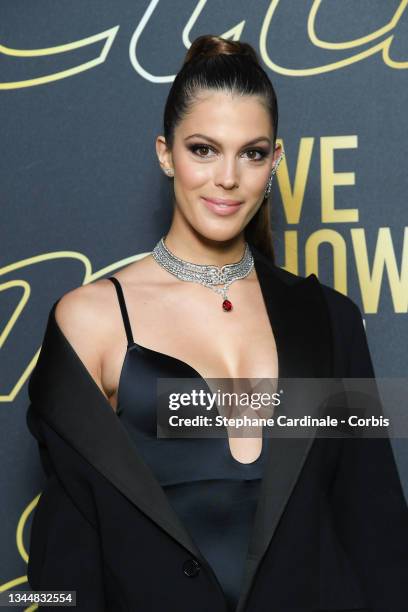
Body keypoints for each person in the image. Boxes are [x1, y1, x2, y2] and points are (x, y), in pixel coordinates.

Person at [26, 35, 408, 612]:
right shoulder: (91, 321)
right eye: (203, 149)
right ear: (165, 152)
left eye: (252, 153)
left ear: (275, 161)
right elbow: (63, 563)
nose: (227, 178)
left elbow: (378, 535)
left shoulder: (329, 320)